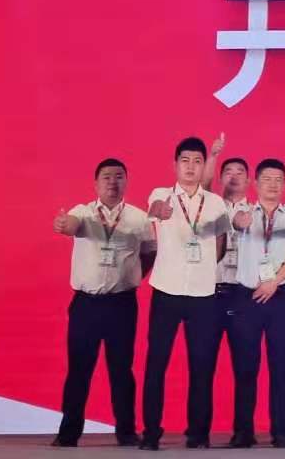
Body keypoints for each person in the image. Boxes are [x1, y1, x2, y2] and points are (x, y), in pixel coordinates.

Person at [51, 158, 156, 449]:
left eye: (119, 176)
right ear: (96, 184)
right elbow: (70, 225)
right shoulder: (82, 212)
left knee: (122, 370)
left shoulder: (139, 218)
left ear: (126, 182)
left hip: (122, 304)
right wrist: (63, 224)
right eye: (107, 177)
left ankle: (126, 432)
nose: (113, 182)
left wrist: (131, 276)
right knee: (79, 370)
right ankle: (68, 434)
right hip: (86, 304)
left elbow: (150, 253)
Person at [140, 137, 232, 451]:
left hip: (203, 294)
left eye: (197, 161)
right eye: (185, 160)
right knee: (157, 364)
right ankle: (151, 433)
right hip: (166, 290)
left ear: (204, 166)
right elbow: (154, 210)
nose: (190, 167)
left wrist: (205, 267)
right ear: (175, 164)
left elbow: (220, 244)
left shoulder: (216, 203)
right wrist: (162, 211)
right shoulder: (161, 195)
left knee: (202, 366)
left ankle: (198, 434)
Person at [232, 158, 285, 449]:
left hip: (281, 295)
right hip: (247, 295)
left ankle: (282, 431)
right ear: (256, 183)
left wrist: (274, 281)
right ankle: (243, 432)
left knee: (282, 365)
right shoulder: (243, 213)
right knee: (245, 366)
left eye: (278, 180)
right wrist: (240, 221)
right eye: (267, 179)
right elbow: (235, 225)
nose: (273, 185)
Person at [213, 153, 255, 446]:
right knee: (204, 364)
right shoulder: (208, 209)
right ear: (220, 177)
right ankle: (198, 432)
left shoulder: (257, 212)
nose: (234, 175)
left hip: (243, 294)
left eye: (240, 171)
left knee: (246, 367)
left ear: (249, 180)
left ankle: (244, 430)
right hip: (211, 292)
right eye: (228, 171)